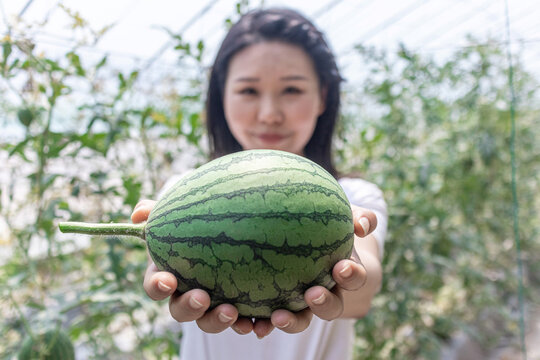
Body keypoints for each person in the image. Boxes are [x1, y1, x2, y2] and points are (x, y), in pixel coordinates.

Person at [131, 7, 387, 360]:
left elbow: (364, 290)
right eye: (249, 90)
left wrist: (348, 261)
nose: (269, 113)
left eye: (292, 89)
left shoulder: (355, 196)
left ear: (323, 96)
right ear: (222, 97)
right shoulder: (181, 190)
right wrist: (162, 258)